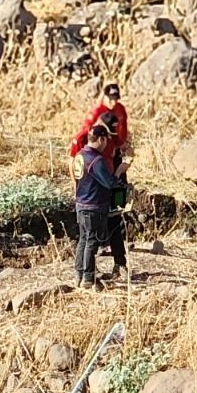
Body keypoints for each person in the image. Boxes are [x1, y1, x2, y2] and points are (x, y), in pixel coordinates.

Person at [72, 123, 130, 289]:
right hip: (93, 205)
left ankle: (79, 274)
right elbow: (109, 182)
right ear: (101, 139)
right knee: (91, 241)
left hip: (81, 203)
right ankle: (88, 278)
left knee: (83, 239)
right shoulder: (96, 160)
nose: (106, 145)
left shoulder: (80, 155)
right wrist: (120, 170)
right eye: (105, 140)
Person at [68, 83, 129, 168]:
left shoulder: (120, 109)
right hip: (99, 149)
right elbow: (86, 132)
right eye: (111, 99)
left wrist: (122, 143)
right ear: (105, 96)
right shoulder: (96, 112)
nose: (113, 102)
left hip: (114, 148)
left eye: (115, 99)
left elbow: (123, 127)